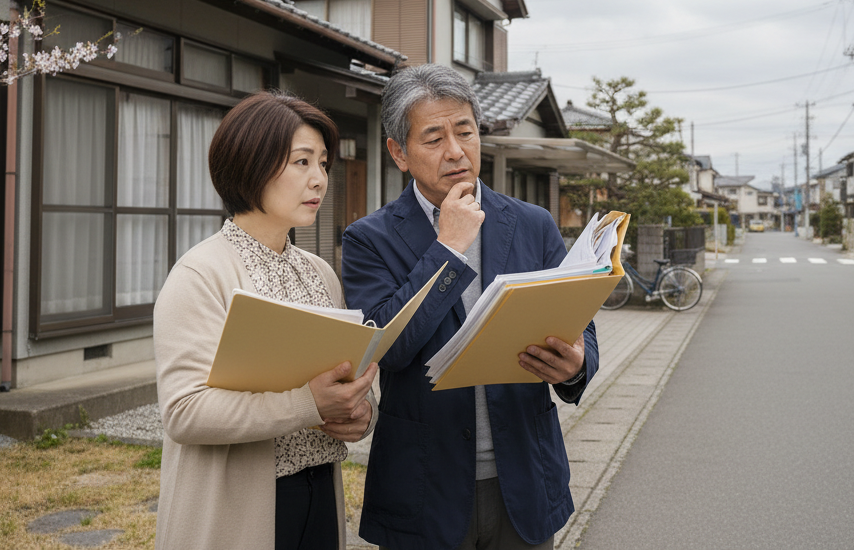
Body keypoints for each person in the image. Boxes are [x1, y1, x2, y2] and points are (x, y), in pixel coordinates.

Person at [342, 65, 599, 550]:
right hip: (423, 484)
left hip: (523, 477)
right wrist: (448, 247)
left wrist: (577, 366)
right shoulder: (368, 239)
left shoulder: (532, 223)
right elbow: (386, 348)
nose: (456, 151)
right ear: (399, 153)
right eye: (434, 138)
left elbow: (579, 322)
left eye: (465, 131)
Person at [154, 91, 377, 550]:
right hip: (238, 507)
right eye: (302, 162)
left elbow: (342, 380)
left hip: (320, 490)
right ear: (251, 164)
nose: (319, 179)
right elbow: (184, 412)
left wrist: (360, 412)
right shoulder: (200, 274)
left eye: (323, 164)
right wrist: (307, 404)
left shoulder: (320, 272)